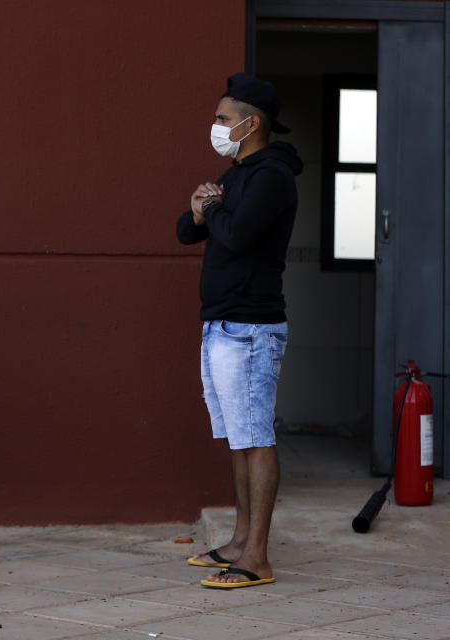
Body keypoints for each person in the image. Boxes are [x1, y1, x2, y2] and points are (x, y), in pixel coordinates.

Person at [177, 75, 302, 589]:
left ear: (252, 123)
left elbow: (237, 235)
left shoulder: (271, 176)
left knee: (256, 438)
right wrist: (200, 207)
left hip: (250, 328)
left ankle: (256, 557)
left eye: (224, 119)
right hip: (222, 325)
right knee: (238, 440)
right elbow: (189, 231)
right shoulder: (241, 172)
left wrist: (215, 206)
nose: (217, 126)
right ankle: (237, 542)